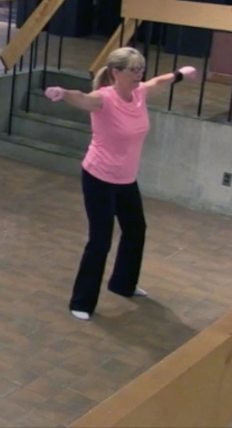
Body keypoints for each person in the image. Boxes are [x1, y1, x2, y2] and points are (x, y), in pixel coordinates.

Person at [43, 47, 196, 321]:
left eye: (141, 69)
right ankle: (81, 301)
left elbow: (159, 81)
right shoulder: (104, 98)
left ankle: (123, 283)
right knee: (100, 240)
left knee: (136, 229)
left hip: (126, 178)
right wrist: (63, 94)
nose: (139, 74)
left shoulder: (139, 94)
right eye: (133, 69)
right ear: (116, 72)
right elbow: (83, 98)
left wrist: (179, 74)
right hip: (99, 177)